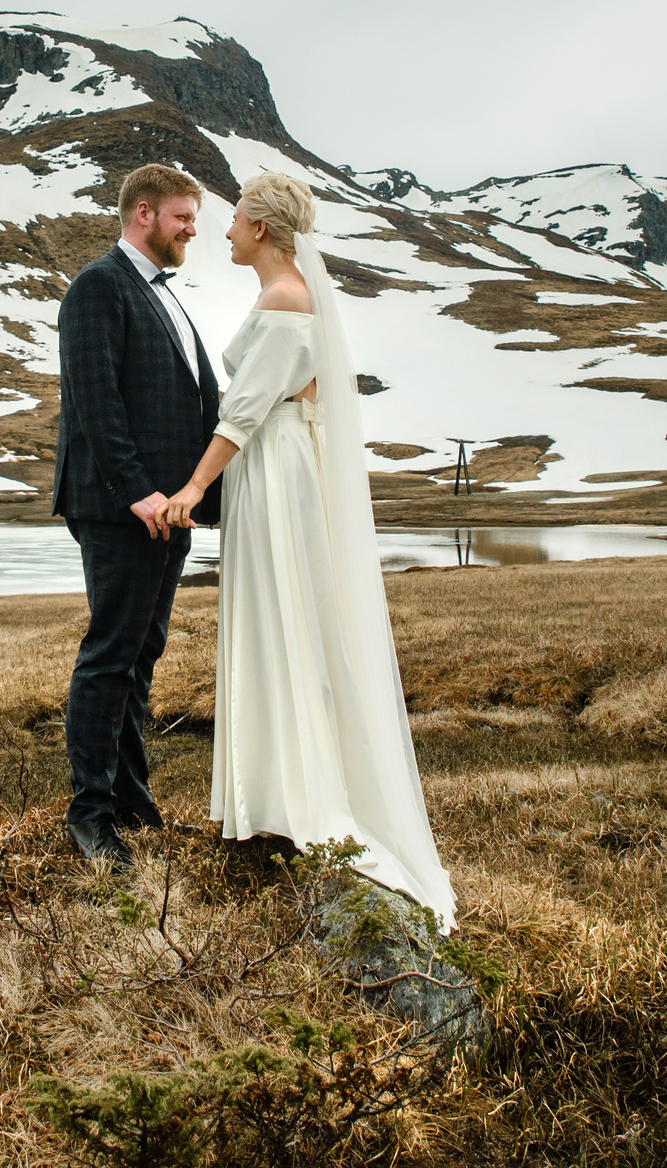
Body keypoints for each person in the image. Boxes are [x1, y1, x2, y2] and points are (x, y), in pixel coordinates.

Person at [161, 171, 455, 928]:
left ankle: (295, 801)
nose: (226, 231)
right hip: (275, 463)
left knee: (281, 618)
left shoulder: (286, 299)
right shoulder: (288, 293)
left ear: (261, 228)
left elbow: (247, 410)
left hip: (274, 467)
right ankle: (274, 795)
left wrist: (193, 487)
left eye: (235, 220)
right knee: (277, 618)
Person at [51, 162, 221, 870]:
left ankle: (132, 800)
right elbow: (95, 400)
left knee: (141, 656)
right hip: (124, 509)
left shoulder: (164, 294)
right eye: (183, 217)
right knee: (110, 656)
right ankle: (89, 816)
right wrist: (137, 491)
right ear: (144, 213)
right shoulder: (99, 285)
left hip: (166, 512)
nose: (192, 230)